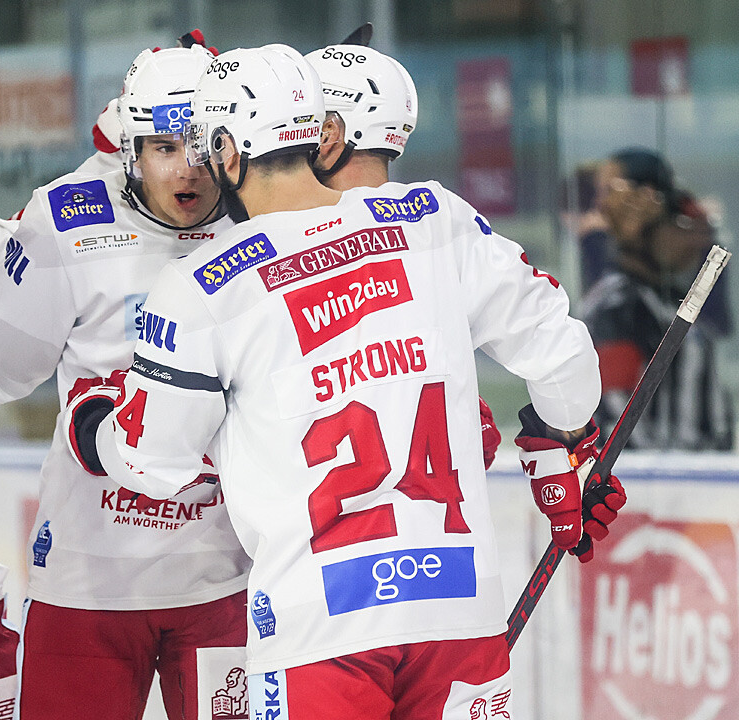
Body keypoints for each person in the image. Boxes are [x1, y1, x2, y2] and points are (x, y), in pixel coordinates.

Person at [69, 45, 626, 718]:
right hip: (458, 612)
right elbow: (562, 353)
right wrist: (560, 442)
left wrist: (93, 423)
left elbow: (154, 463)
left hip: (318, 632)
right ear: (319, 135)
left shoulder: (204, 285)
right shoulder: (432, 219)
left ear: (229, 151)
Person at [0, 45, 251, 720]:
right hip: (86, 581)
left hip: (226, 578)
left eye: (202, 146)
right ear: (128, 150)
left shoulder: (264, 218)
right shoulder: (66, 221)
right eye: (164, 147)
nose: (187, 169)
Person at [306, 42, 501, 469]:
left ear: (329, 134)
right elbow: (551, 340)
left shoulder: (273, 240)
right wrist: (565, 435)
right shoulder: (441, 219)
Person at [582, 148, 733, 450]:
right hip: (652, 472)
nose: (602, 205)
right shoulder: (615, 305)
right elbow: (618, 421)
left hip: (698, 468)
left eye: (610, 191)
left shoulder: (672, 301)